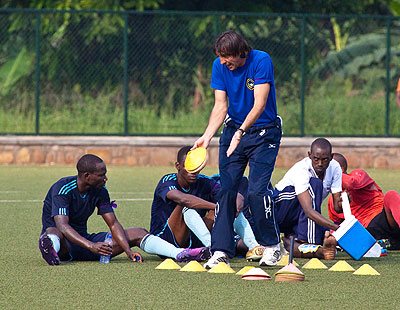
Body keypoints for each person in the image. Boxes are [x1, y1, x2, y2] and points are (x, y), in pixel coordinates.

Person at [192, 30, 283, 268]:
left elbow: (260, 103)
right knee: (226, 190)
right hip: (233, 131)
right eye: (220, 57)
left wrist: (241, 132)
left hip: (264, 134)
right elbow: (221, 106)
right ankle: (220, 250)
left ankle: (273, 246)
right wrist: (207, 137)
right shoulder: (219, 65)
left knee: (256, 191)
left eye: (227, 57)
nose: (223, 62)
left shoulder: (261, 60)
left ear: (240, 52)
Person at [39, 154, 209, 265]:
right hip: (65, 245)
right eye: (101, 175)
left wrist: (127, 250)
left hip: (85, 243)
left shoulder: (100, 191)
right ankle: (50, 248)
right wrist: (91, 245)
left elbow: (113, 224)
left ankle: (179, 254)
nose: (106, 178)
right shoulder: (62, 188)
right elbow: (63, 226)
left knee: (138, 232)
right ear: (86, 176)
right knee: (53, 230)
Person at [148, 146, 262, 262]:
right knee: (186, 207)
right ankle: (213, 248)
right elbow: (184, 200)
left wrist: (235, 204)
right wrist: (219, 207)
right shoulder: (167, 181)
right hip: (166, 240)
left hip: (193, 238)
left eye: (196, 166)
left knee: (230, 205)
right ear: (178, 166)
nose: (194, 171)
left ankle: (254, 247)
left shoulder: (203, 180)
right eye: (189, 167)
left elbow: (235, 195)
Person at [273, 138, 341, 260]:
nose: (320, 163)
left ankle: (288, 243)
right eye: (316, 159)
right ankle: (309, 242)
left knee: (326, 233)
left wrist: (342, 204)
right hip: (281, 210)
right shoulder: (302, 170)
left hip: (300, 215)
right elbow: (308, 211)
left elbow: (337, 207)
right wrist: (335, 227)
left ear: (331, 157)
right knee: (315, 184)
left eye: (324, 159)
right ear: (309, 156)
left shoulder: (335, 168)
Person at [328, 153, 400, 250]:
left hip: (384, 219)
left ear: (340, 169)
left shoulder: (358, 174)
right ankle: (388, 243)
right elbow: (338, 225)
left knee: (391, 196)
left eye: (327, 167)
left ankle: (387, 242)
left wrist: (331, 175)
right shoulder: (332, 201)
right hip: (366, 232)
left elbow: (351, 183)